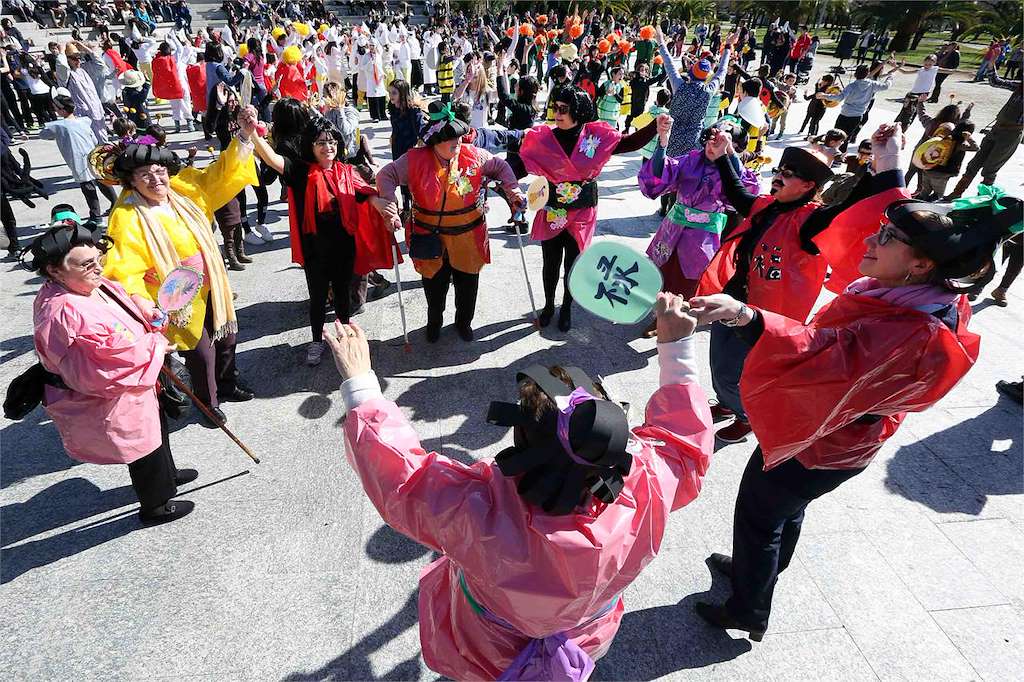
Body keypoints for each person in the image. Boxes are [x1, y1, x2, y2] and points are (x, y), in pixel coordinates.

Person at [323, 287, 714, 679]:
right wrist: (677, 345)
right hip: (587, 635)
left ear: (522, 440)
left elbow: (402, 479)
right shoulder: (647, 484)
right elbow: (683, 444)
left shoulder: (475, 510)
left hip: (490, 644)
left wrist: (360, 383)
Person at [688, 189, 1023, 642]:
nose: (871, 239)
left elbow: (819, 354)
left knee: (759, 516)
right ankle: (759, 572)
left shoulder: (909, 328)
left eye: (887, 236)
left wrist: (746, 316)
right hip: (836, 439)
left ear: (922, 263)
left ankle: (748, 607)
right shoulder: (927, 297)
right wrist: (888, 165)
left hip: (817, 441)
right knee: (784, 512)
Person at [697, 124, 910, 444]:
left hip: (765, 318)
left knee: (740, 371)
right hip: (734, 298)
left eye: (789, 173)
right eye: (780, 169)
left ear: (809, 185)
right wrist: (723, 155)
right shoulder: (766, 206)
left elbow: (859, 205)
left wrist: (883, 162)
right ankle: (728, 404)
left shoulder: (812, 222)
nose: (778, 176)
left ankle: (746, 415)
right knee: (719, 362)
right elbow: (737, 193)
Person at [28, 219, 196, 524]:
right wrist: (156, 348)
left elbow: (122, 298)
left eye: (97, 260)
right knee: (142, 445)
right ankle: (156, 505)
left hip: (140, 380)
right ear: (54, 270)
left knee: (156, 431)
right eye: (86, 264)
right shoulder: (62, 311)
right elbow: (99, 367)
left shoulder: (87, 283)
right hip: (117, 393)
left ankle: (168, 476)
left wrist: (146, 311)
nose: (98, 269)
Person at [99, 107, 259, 428]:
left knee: (227, 338)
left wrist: (243, 136)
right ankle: (208, 403)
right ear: (131, 181)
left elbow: (219, 175)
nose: (156, 179)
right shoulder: (127, 216)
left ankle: (226, 385)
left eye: (159, 171)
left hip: (211, 280)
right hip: (174, 296)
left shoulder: (183, 188)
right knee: (201, 355)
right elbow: (122, 270)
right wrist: (145, 308)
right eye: (145, 174)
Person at [248, 114, 399, 365]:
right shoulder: (300, 172)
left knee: (342, 294)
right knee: (317, 297)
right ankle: (317, 341)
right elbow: (272, 159)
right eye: (321, 142)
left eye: (332, 142)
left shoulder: (347, 171)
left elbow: (363, 195)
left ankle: (345, 334)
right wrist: (252, 133)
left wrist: (381, 203)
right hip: (315, 248)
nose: (328, 147)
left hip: (343, 245)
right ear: (311, 146)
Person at [375, 100, 524, 343]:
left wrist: (514, 192)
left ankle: (463, 322)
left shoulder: (473, 155)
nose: (458, 141)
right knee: (434, 289)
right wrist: (391, 204)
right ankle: (434, 322)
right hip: (429, 236)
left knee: (468, 287)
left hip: (468, 235)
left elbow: (500, 167)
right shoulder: (414, 159)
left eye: (459, 136)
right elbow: (386, 175)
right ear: (435, 141)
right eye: (451, 138)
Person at [512, 87, 659, 331]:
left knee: (573, 265)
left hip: (582, 213)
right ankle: (549, 306)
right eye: (554, 107)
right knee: (550, 264)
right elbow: (518, 164)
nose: (557, 113)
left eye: (563, 109)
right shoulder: (545, 138)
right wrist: (503, 183)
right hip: (553, 210)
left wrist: (656, 124)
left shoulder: (597, 137)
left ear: (578, 111)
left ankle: (566, 308)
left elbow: (631, 143)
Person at [639, 115, 759, 336]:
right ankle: (660, 318)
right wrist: (663, 141)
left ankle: (680, 324)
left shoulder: (733, 170)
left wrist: (730, 157)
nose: (712, 147)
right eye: (710, 141)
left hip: (701, 238)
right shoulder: (691, 159)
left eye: (721, 144)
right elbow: (661, 173)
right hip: (672, 230)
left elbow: (748, 193)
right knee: (663, 275)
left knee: (688, 283)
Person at [944, 70, 1022, 199]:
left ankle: (982, 198)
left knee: (990, 170)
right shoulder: (1019, 87)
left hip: (1010, 136)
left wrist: (1008, 125)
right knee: (974, 164)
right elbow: (996, 82)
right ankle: (956, 193)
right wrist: (992, 63)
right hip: (996, 130)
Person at [40, 94, 119, 221]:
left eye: (56, 107)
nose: (54, 109)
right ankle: (116, 204)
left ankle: (96, 216)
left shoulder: (59, 126)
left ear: (63, 110)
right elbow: (93, 139)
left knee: (87, 186)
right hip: (93, 155)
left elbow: (43, 134)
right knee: (101, 180)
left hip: (78, 160)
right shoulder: (84, 121)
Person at [819, 61, 898, 153]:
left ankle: (828, 153)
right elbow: (886, 86)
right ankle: (839, 157)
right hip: (857, 116)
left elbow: (839, 97)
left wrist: (824, 95)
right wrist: (891, 75)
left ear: (856, 74)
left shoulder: (852, 86)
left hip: (845, 114)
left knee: (835, 134)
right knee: (845, 138)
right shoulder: (872, 84)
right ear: (867, 74)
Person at [151, 41, 193, 134]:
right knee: (185, 105)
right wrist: (173, 38)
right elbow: (181, 49)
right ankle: (190, 125)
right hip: (180, 85)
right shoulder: (175, 58)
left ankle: (177, 127)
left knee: (175, 107)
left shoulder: (157, 61)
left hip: (169, 88)